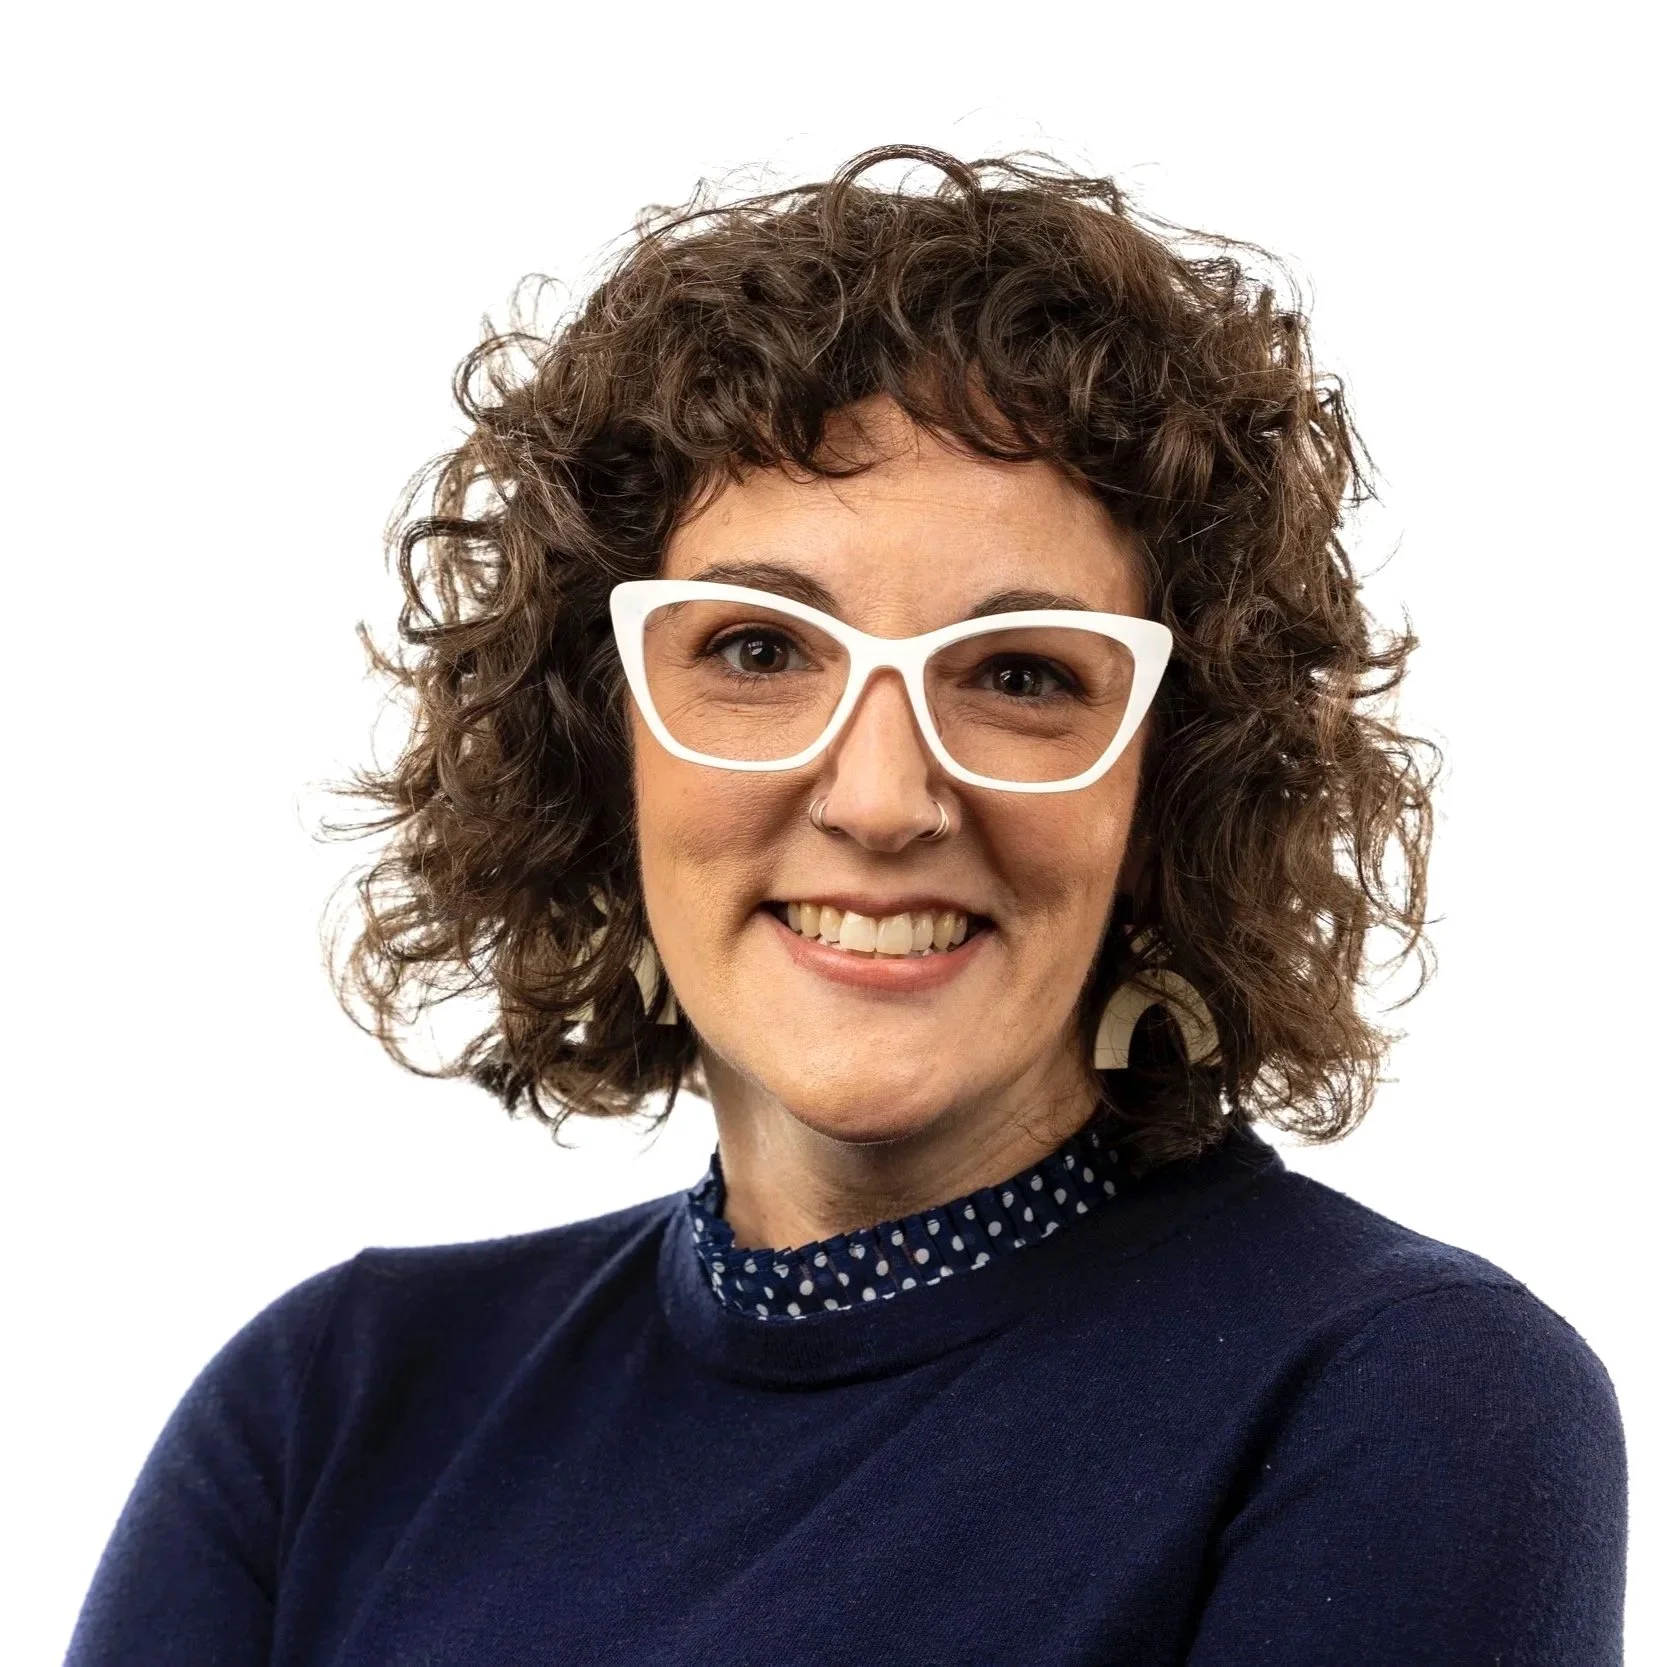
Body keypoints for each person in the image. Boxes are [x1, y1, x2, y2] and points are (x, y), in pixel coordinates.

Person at [66, 145, 1628, 1665]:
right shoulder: (330, 1408)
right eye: (757, 653)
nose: (881, 796)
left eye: (1020, 676)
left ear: (1173, 790)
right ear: (598, 736)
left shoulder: (1399, 1399)